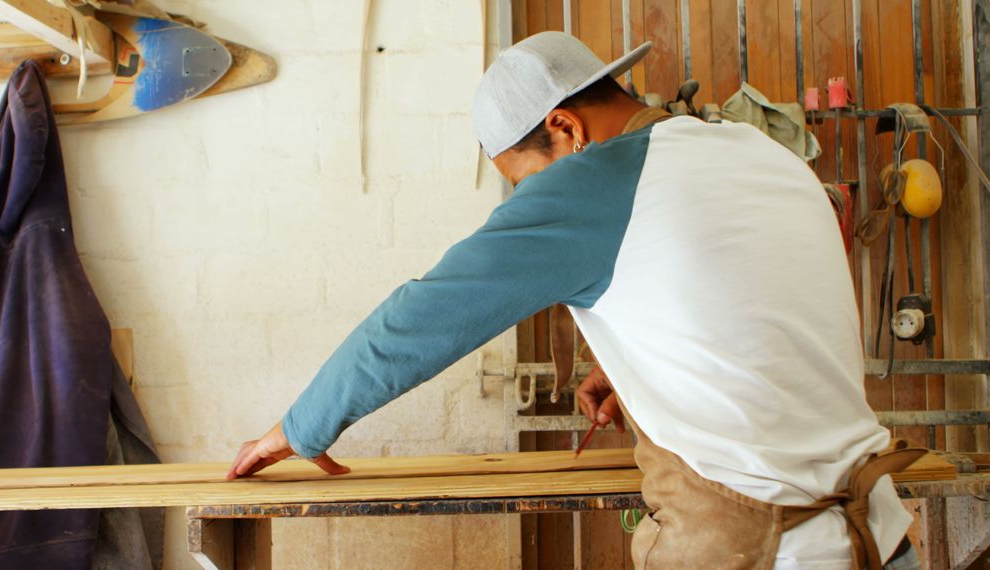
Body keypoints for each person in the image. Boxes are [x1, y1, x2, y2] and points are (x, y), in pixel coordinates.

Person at [229, 32, 923, 569]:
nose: (529, 200)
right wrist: (636, 367)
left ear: (565, 128)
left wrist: (299, 426)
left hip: (768, 551)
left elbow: (418, 319)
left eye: (523, 179)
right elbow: (754, 313)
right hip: (882, 535)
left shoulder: (589, 183)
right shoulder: (756, 151)